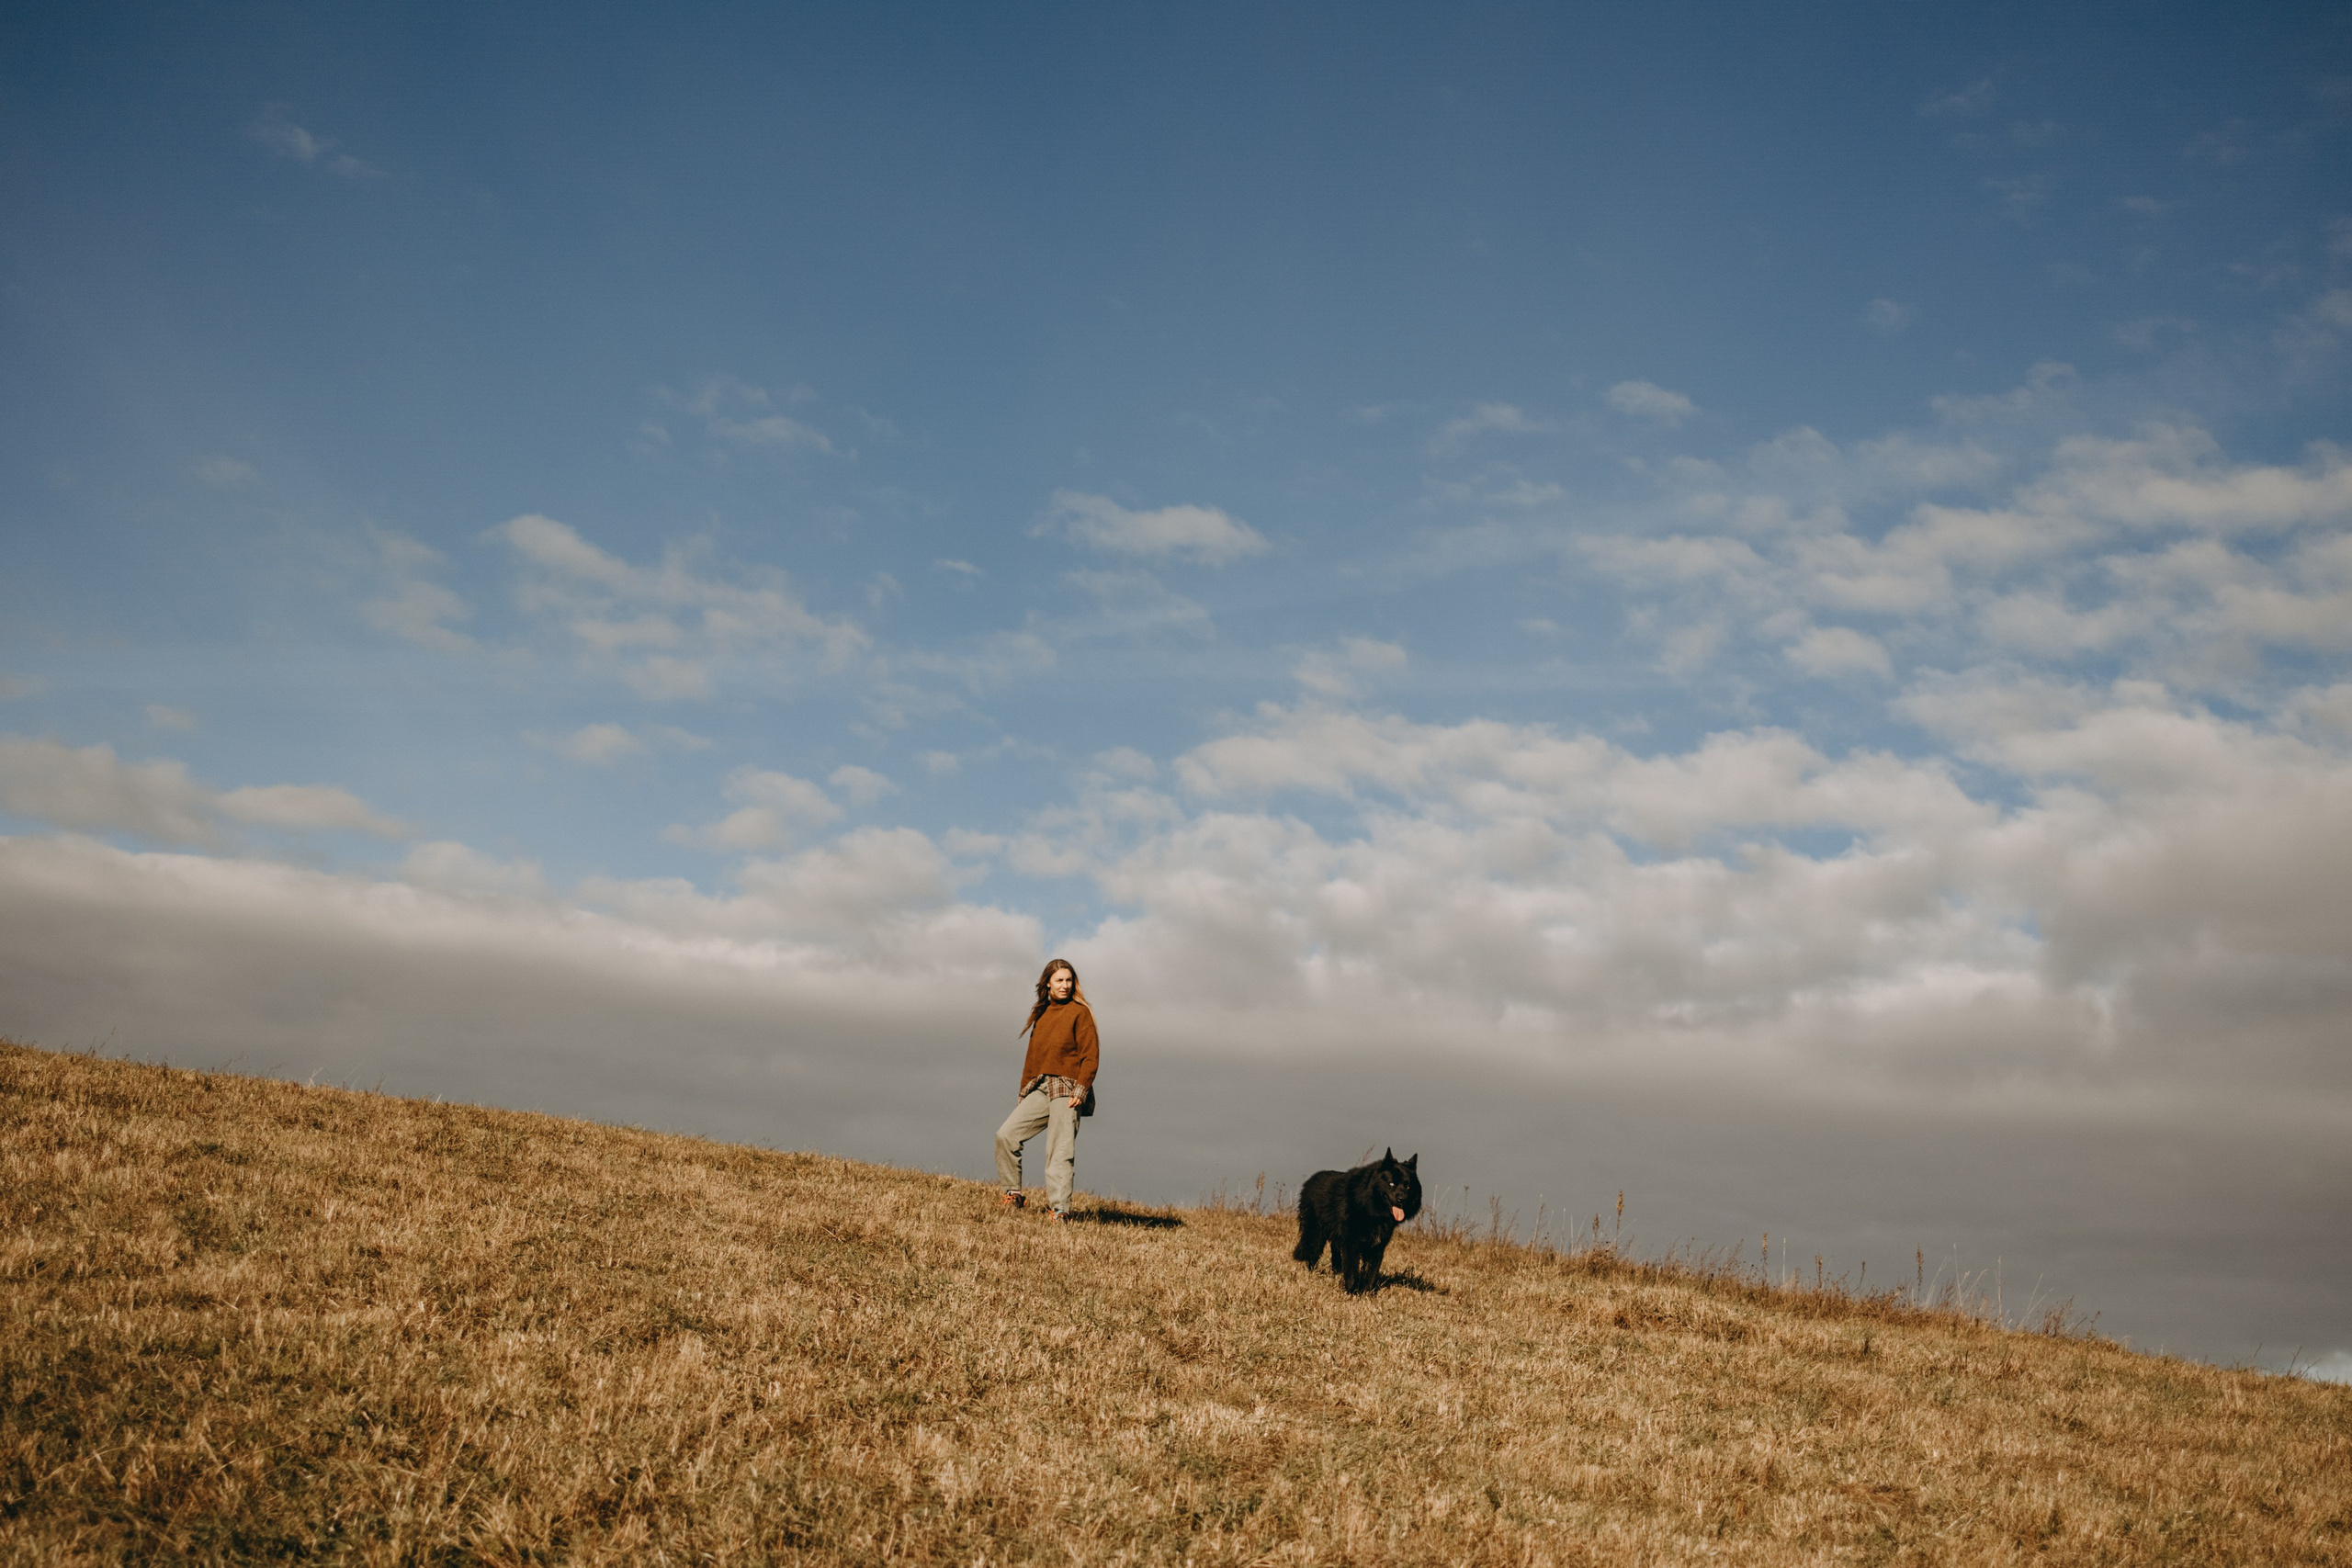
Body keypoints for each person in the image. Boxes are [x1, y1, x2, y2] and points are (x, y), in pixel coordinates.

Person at [993, 957, 1098, 1222]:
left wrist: (1081, 1089)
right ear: (1048, 984)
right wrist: (1023, 1093)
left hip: (1067, 1089)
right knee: (1006, 1136)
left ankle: (1059, 1210)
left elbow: (1091, 1056)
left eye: (1069, 980)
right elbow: (1032, 1059)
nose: (1065, 985)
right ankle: (1012, 1194)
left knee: (1059, 1150)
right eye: (1059, 980)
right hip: (1039, 1087)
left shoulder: (1079, 1012)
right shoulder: (1041, 1014)